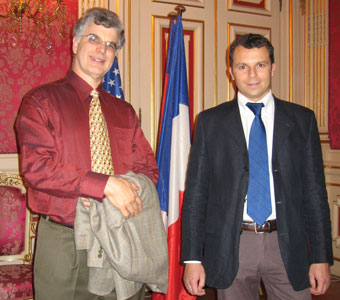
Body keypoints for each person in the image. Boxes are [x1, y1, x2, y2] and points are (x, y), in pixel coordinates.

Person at [15, 8, 158, 300]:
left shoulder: (124, 112)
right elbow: (38, 168)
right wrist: (105, 184)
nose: (101, 49)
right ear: (75, 43)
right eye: (94, 38)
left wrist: (129, 191)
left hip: (121, 236)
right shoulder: (40, 101)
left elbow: (148, 170)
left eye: (110, 44)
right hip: (65, 244)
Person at [181, 33, 333, 300]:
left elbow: (315, 195)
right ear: (231, 72)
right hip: (233, 244)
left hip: (288, 244)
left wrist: (321, 257)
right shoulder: (209, 123)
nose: (252, 74)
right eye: (243, 66)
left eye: (260, 65)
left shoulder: (302, 120)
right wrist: (192, 258)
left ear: (272, 67)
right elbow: (196, 197)